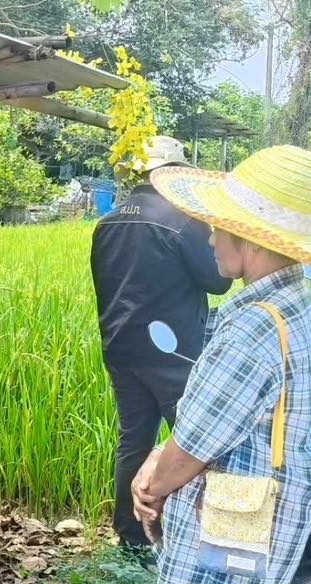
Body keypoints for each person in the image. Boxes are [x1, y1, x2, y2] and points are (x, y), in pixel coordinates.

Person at [131, 145, 311, 584]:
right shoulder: (297, 305)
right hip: (263, 552)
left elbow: (191, 451)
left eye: (217, 225)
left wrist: (149, 487)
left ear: (248, 237)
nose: (208, 237)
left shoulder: (250, 327)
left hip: (217, 568)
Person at [90, 135, 233, 550]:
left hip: (120, 348)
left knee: (134, 440)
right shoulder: (183, 220)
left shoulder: (107, 222)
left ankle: (131, 540)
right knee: (193, 442)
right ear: (172, 173)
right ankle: (198, 542)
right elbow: (218, 280)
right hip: (174, 353)